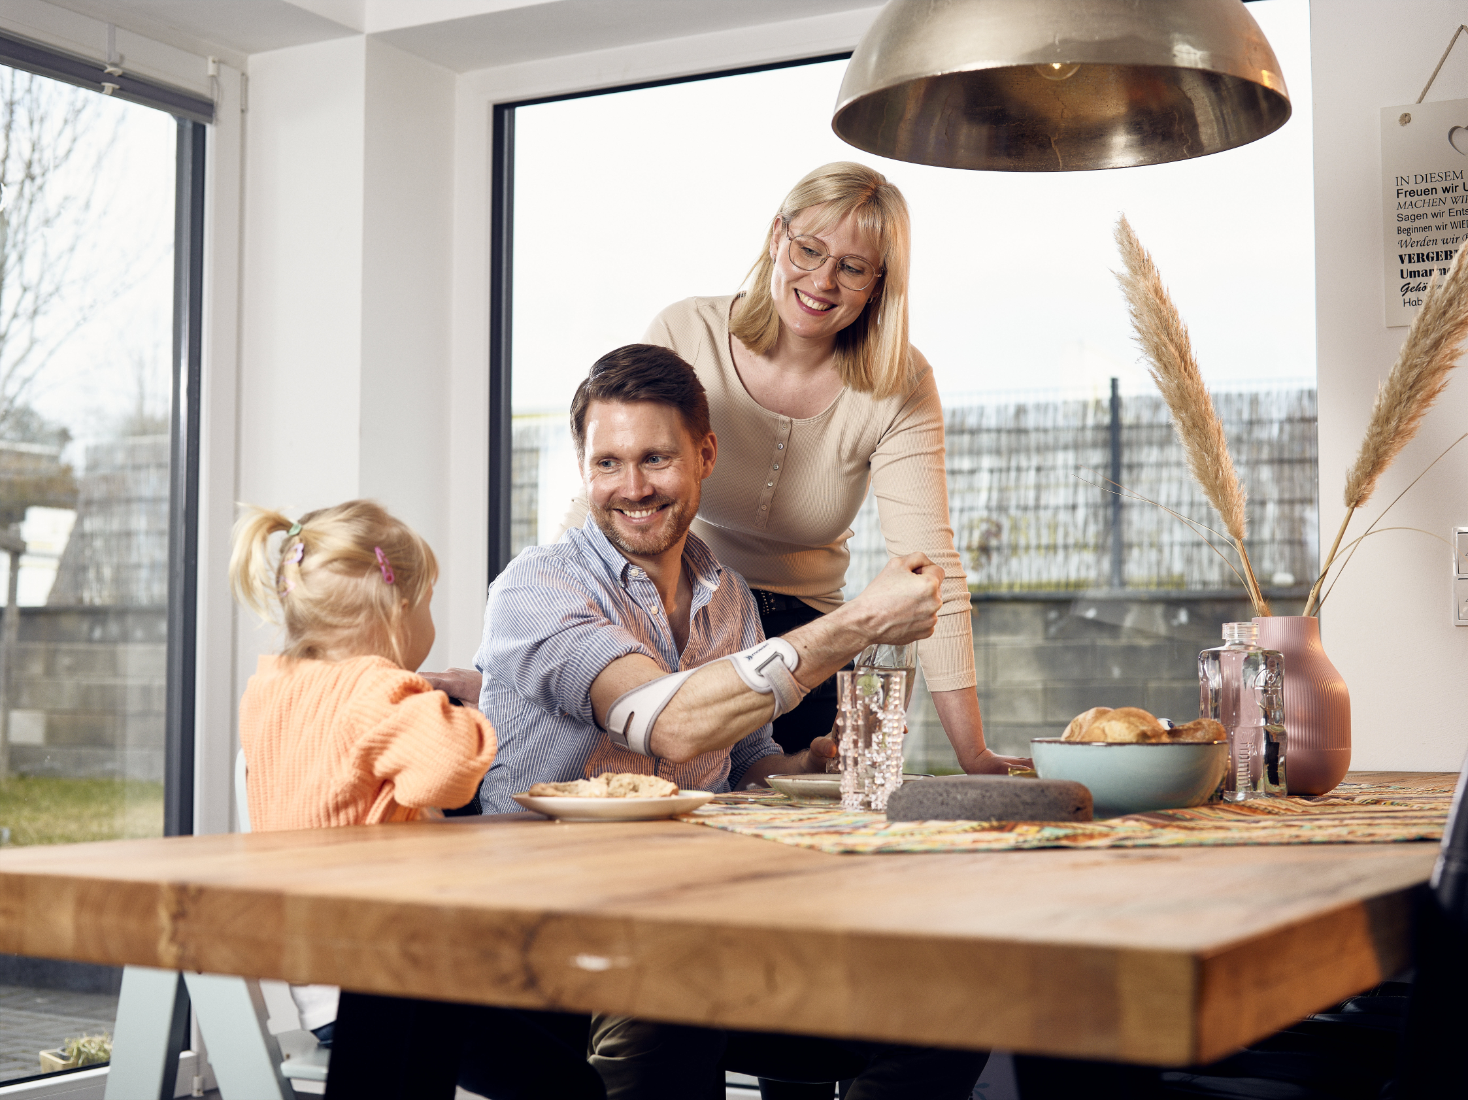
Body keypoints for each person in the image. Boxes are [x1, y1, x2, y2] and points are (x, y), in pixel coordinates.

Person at [472, 345, 987, 1099]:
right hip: (558, 944)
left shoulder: (729, 598)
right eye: (607, 463)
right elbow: (665, 723)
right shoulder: (539, 585)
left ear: (705, 455)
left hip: (696, 926)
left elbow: (745, 765)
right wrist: (858, 622)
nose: (632, 487)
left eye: (655, 458)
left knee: (951, 1011)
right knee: (670, 995)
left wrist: (804, 768)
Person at [558, 161, 1023, 773]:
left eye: (852, 268)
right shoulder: (686, 331)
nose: (823, 281)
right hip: (678, 622)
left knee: (816, 823)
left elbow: (929, 567)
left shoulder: (900, 383)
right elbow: (612, 488)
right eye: (809, 250)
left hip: (811, 646)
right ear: (777, 238)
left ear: (878, 285)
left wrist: (975, 755)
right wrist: (546, 622)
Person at [229, 500, 604, 1100]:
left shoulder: (268, 689)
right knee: (570, 1084)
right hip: (387, 972)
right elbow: (452, 776)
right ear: (399, 609)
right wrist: (467, 712)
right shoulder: (379, 690)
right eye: (428, 603)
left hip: (318, 976)